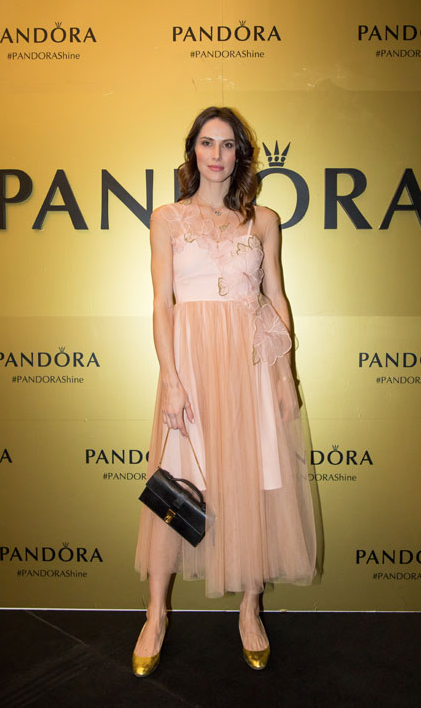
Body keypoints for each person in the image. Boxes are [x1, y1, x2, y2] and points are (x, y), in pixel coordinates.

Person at [132, 106, 318, 676]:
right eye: (207, 143)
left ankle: (250, 608)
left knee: (253, 480)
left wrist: (285, 376)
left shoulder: (264, 220)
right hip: (190, 365)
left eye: (228, 144)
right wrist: (170, 377)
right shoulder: (167, 219)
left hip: (251, 366)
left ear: (241, 154)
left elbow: (275, 299)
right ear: (193, 151)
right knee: (176, 484)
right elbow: (162, 304)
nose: (217, 154)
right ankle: (155, 614)